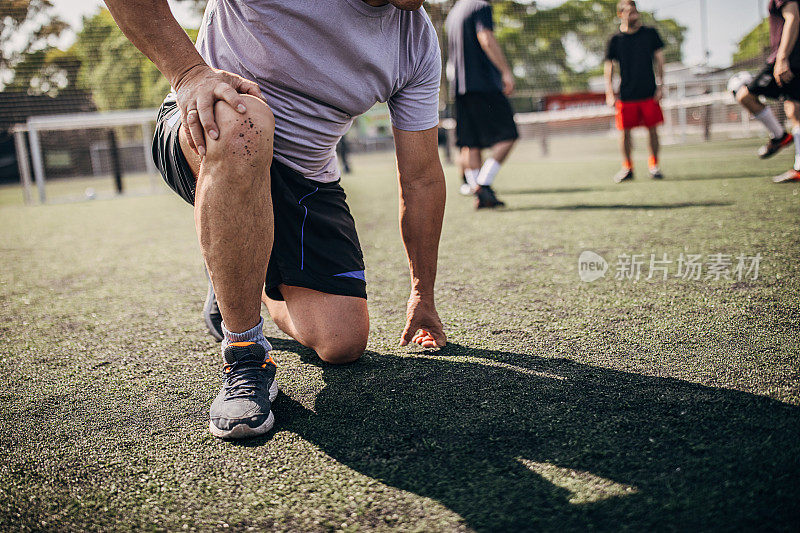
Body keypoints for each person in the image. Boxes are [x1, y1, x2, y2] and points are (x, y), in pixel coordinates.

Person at [105, 0, 448, 439]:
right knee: (243, 121)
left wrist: (422, 293)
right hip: (208, 129)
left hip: (305, 179)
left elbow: (420, 178)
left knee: (342, 342)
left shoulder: (416, 42)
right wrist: (189, 74)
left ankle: (236, 276)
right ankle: (245, 355)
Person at [445, 0, 518, 209]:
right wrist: (505, 71)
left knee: (471, 143)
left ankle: (480, 193)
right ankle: (483, 184)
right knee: (509, 135)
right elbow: (485, 38)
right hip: (483, 85)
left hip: (459, 88)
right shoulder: (481, 6)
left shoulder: (455, 12)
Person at [731, 0, 800, 183]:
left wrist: (782, 57)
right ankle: (798, 165)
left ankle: (780, 136)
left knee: (745, 95)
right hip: (792, 57)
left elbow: (792, 16)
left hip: (787, 58)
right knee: (794, 110)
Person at [604, 0, 665, 183]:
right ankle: (627, 167)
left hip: (649, 91)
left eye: (636, 11)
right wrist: (609, 92)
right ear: (620, 14)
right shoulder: (615, 40)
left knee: (652, 130)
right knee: (624, 132)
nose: (634, 16)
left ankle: (654, 165)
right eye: (630, 12)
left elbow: (660, 60)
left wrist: (661, 85)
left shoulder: (649, 34)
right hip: (626, 94)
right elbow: (609, 67)